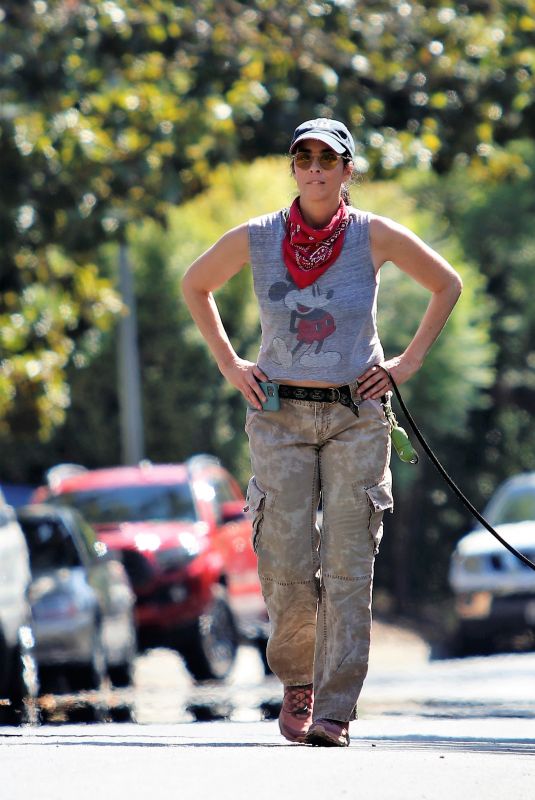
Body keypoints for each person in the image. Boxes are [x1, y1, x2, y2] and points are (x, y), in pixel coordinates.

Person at [182, 118, 462, 747]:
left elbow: (447, 284)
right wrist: (231, 364)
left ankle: (335, 706)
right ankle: (298, 683)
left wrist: (405, 364)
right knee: (282, 559)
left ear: (346, 172)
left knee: (346, 562)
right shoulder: (256, 237)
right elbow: (195, 285)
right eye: (303, 158)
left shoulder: (374, 236)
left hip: (355, 418)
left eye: (327, 160)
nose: (314, 169)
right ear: (294, 167)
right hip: (278, 415)